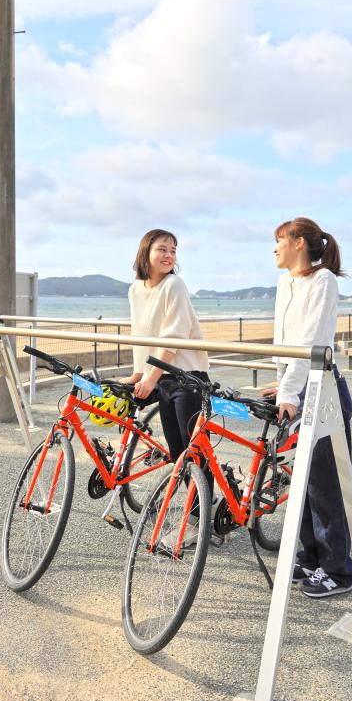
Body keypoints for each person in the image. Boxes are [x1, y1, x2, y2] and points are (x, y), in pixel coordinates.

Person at [262, 217, 352, 598]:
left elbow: (312, 341)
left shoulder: (324, 281)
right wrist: (283, 382)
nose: (274, 248)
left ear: (299, 242)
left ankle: (338, 570)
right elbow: (284, 341)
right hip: (297, 388)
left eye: (279, 241)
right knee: (298, 482)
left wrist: (290, 391)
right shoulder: (286, 282)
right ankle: (311, 556)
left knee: (324, 484)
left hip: (323, 391)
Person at [122, 229, 210, 543]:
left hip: (186, 375)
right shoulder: (135, 289)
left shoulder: (174, 285)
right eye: (162, 249)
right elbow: (141, 334)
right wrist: (137, 372)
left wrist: (150, 377)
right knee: (177, 452)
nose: (169, 255)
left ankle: (199, 522)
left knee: (192, 453)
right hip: (160, 377)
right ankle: (200, 511)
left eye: (173, 250)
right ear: (145, 252)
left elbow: (172, 336)